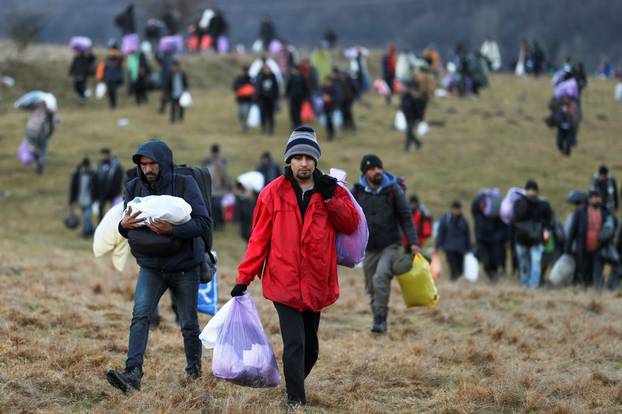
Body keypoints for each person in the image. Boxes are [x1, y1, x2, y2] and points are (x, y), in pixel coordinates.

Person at [232, 126, 359, 409]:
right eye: (298, 157)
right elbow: (258, 239)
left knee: (311, 348)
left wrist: (331, 199)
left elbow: (349, 224)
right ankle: (295, 400)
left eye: (309, 157)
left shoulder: (330, 190)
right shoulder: (271, 193)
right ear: (288, 159)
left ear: (316, 160)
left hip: (316, 282)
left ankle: (293, 382)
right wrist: (244, 277)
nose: (304, 163)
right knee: (295, 343)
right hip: (284, 282)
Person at [107, 140, 211, 393]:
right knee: (140, 316)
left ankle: (194, 374)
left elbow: (203, 223)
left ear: (164, 162)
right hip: (151, 267)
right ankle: (132, 374)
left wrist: (172, 229)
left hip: (185, 266)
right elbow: (123, 228)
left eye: (152, 163)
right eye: (143, 164)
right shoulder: (133, 187)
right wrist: (125, 226)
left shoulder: (185, 184)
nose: (148, 168)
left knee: (188, 323)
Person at [352, 154, 418, 333]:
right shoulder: (357, 191)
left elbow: (406, 217)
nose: (377, 171)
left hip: (390, 245)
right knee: (371, 286)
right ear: (365, 172)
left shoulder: (393, 190)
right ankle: (377, 318)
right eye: (373, 169)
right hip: (369, 248)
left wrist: (413, 242)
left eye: (379, 168)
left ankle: (380, 319)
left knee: (380, 278)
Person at [565, 190, 615, 290]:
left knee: (597, 272)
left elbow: (611, 228)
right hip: (583, 248)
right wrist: (568, 248)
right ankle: (583, 291)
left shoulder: (605, 212)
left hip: (598, 249)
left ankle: (597, 292)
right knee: (583, 272)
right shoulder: (580, 212)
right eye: (594, 197)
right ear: (589, 199)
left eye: (598, 197)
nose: (596, 200)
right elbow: (572, 231)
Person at [512, 180, 553, 289]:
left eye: (533, 190)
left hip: (537, 239)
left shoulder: (543, 205)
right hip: (521, 239)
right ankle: (524, 284)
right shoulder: (519, 203)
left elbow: (548, 222)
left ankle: (533, 285)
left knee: (536, 261)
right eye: (529, 190)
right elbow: (516, 218)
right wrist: (526, 202)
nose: (531, 192)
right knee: (523, 263)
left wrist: (545, 237)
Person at [471, 193, 509, 280]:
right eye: (481, 204)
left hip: (493, 241)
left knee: (494, 260)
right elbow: (474, 205)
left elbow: (502, 226)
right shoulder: (477, 214)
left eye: (483, 203)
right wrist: (485, 195)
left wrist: (499, 237)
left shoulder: (494, 214)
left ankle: (494, 278)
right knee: (486, 261)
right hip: (482, 241)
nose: (482, 206)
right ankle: (491, 276)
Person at [435, 201, 472, 281]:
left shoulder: (464, 221)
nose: (456, 211)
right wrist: (437, 246)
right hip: (449, 248)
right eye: (455, 209)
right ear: (452, 209)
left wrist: (468, 248)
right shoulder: (446, 219)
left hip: (460, 249)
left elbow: (467, 235)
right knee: (453, 267)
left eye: (458, 209)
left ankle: (457, 281)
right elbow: (441, 233)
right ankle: (453, 281)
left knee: (460, 268)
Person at [202, 144, 231, 230]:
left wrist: (228, 185)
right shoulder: (207, 161)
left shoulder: (222, 161)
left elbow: (225, 175)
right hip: (211, 189)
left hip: (220, 189)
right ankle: (214, 224)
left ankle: (220, 223)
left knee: (218, 206)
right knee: (212, 207)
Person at [68, 157, 98, 238]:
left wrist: (96, 198)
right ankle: (90, 230)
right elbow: (73, 189)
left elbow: (97, 188)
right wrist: (71, 201)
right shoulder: (77, 175)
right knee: (86, 217)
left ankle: (86, 233)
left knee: (86, 216)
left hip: (89, 200)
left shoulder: (93, 175)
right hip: (80, 200)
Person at [26, 101, 57, 175]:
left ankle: (37, 159)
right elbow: (52, 125)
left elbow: (30, 124)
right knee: (42, 151)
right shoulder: (50, 113)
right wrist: (50, 134)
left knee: (33, 149)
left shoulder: (34, 111)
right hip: (42, 135)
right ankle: (40, 166)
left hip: (33, 134)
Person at [96, 147, 124, 222]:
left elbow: (119, 179)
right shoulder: (100, 165)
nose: (103, 156)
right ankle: (100, 224)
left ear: (108, 155)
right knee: (100, 209)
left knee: (114, 210)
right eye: (102, 155)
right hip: (102, 192)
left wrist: (118, 191)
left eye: (105, 155)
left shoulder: (116, 166)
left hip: (113, 192)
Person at [400, 82, 427, 151]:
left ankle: (408, 147)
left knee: (409, 131)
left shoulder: (414, 97)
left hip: (413, 117)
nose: (402, 89)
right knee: (409, 132)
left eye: (404, 87)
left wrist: (420, 118)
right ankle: (417, 143)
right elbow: (403, 106)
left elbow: (419, 107)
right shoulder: (404, 96)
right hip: (406, 116)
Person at [256, 63, 280, 135]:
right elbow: (258, 88)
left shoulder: (273, 77)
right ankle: (263, 128)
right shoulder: (260, 77)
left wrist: (276, 97)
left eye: (267, 69)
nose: (266, 70)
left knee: (271, 114)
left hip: (271, 99)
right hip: (263, 99)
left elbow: (276, 88)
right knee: (262, 114)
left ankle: (271, 129)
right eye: (265, 69)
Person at [232, 65, 255, 131]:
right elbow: (234, 87)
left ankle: (245, 126)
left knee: (246, 114)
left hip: (248, 100)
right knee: (240, 114)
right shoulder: (238, 79)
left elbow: (254, 88)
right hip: (240, 99)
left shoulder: (250, 79)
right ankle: (244, 124)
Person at [103, 42, 124, 109]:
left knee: (113, 91)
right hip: (109, 77)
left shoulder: (118, 58)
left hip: (115, 77)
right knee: (110, 92)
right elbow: (105, 68)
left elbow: (121, 60)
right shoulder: (107, 58)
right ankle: (111, 105)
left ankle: (114, 105)